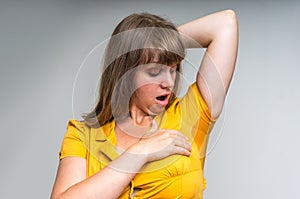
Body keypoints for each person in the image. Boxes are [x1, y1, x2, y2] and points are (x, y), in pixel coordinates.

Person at [51, 9, 238, 199]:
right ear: (126, 74)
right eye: (155, 72)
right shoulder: (82, 135)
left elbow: (225, 24)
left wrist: (163, 43)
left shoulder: (190, 115)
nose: (169, 83)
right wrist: (140, 152)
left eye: (173, 70)